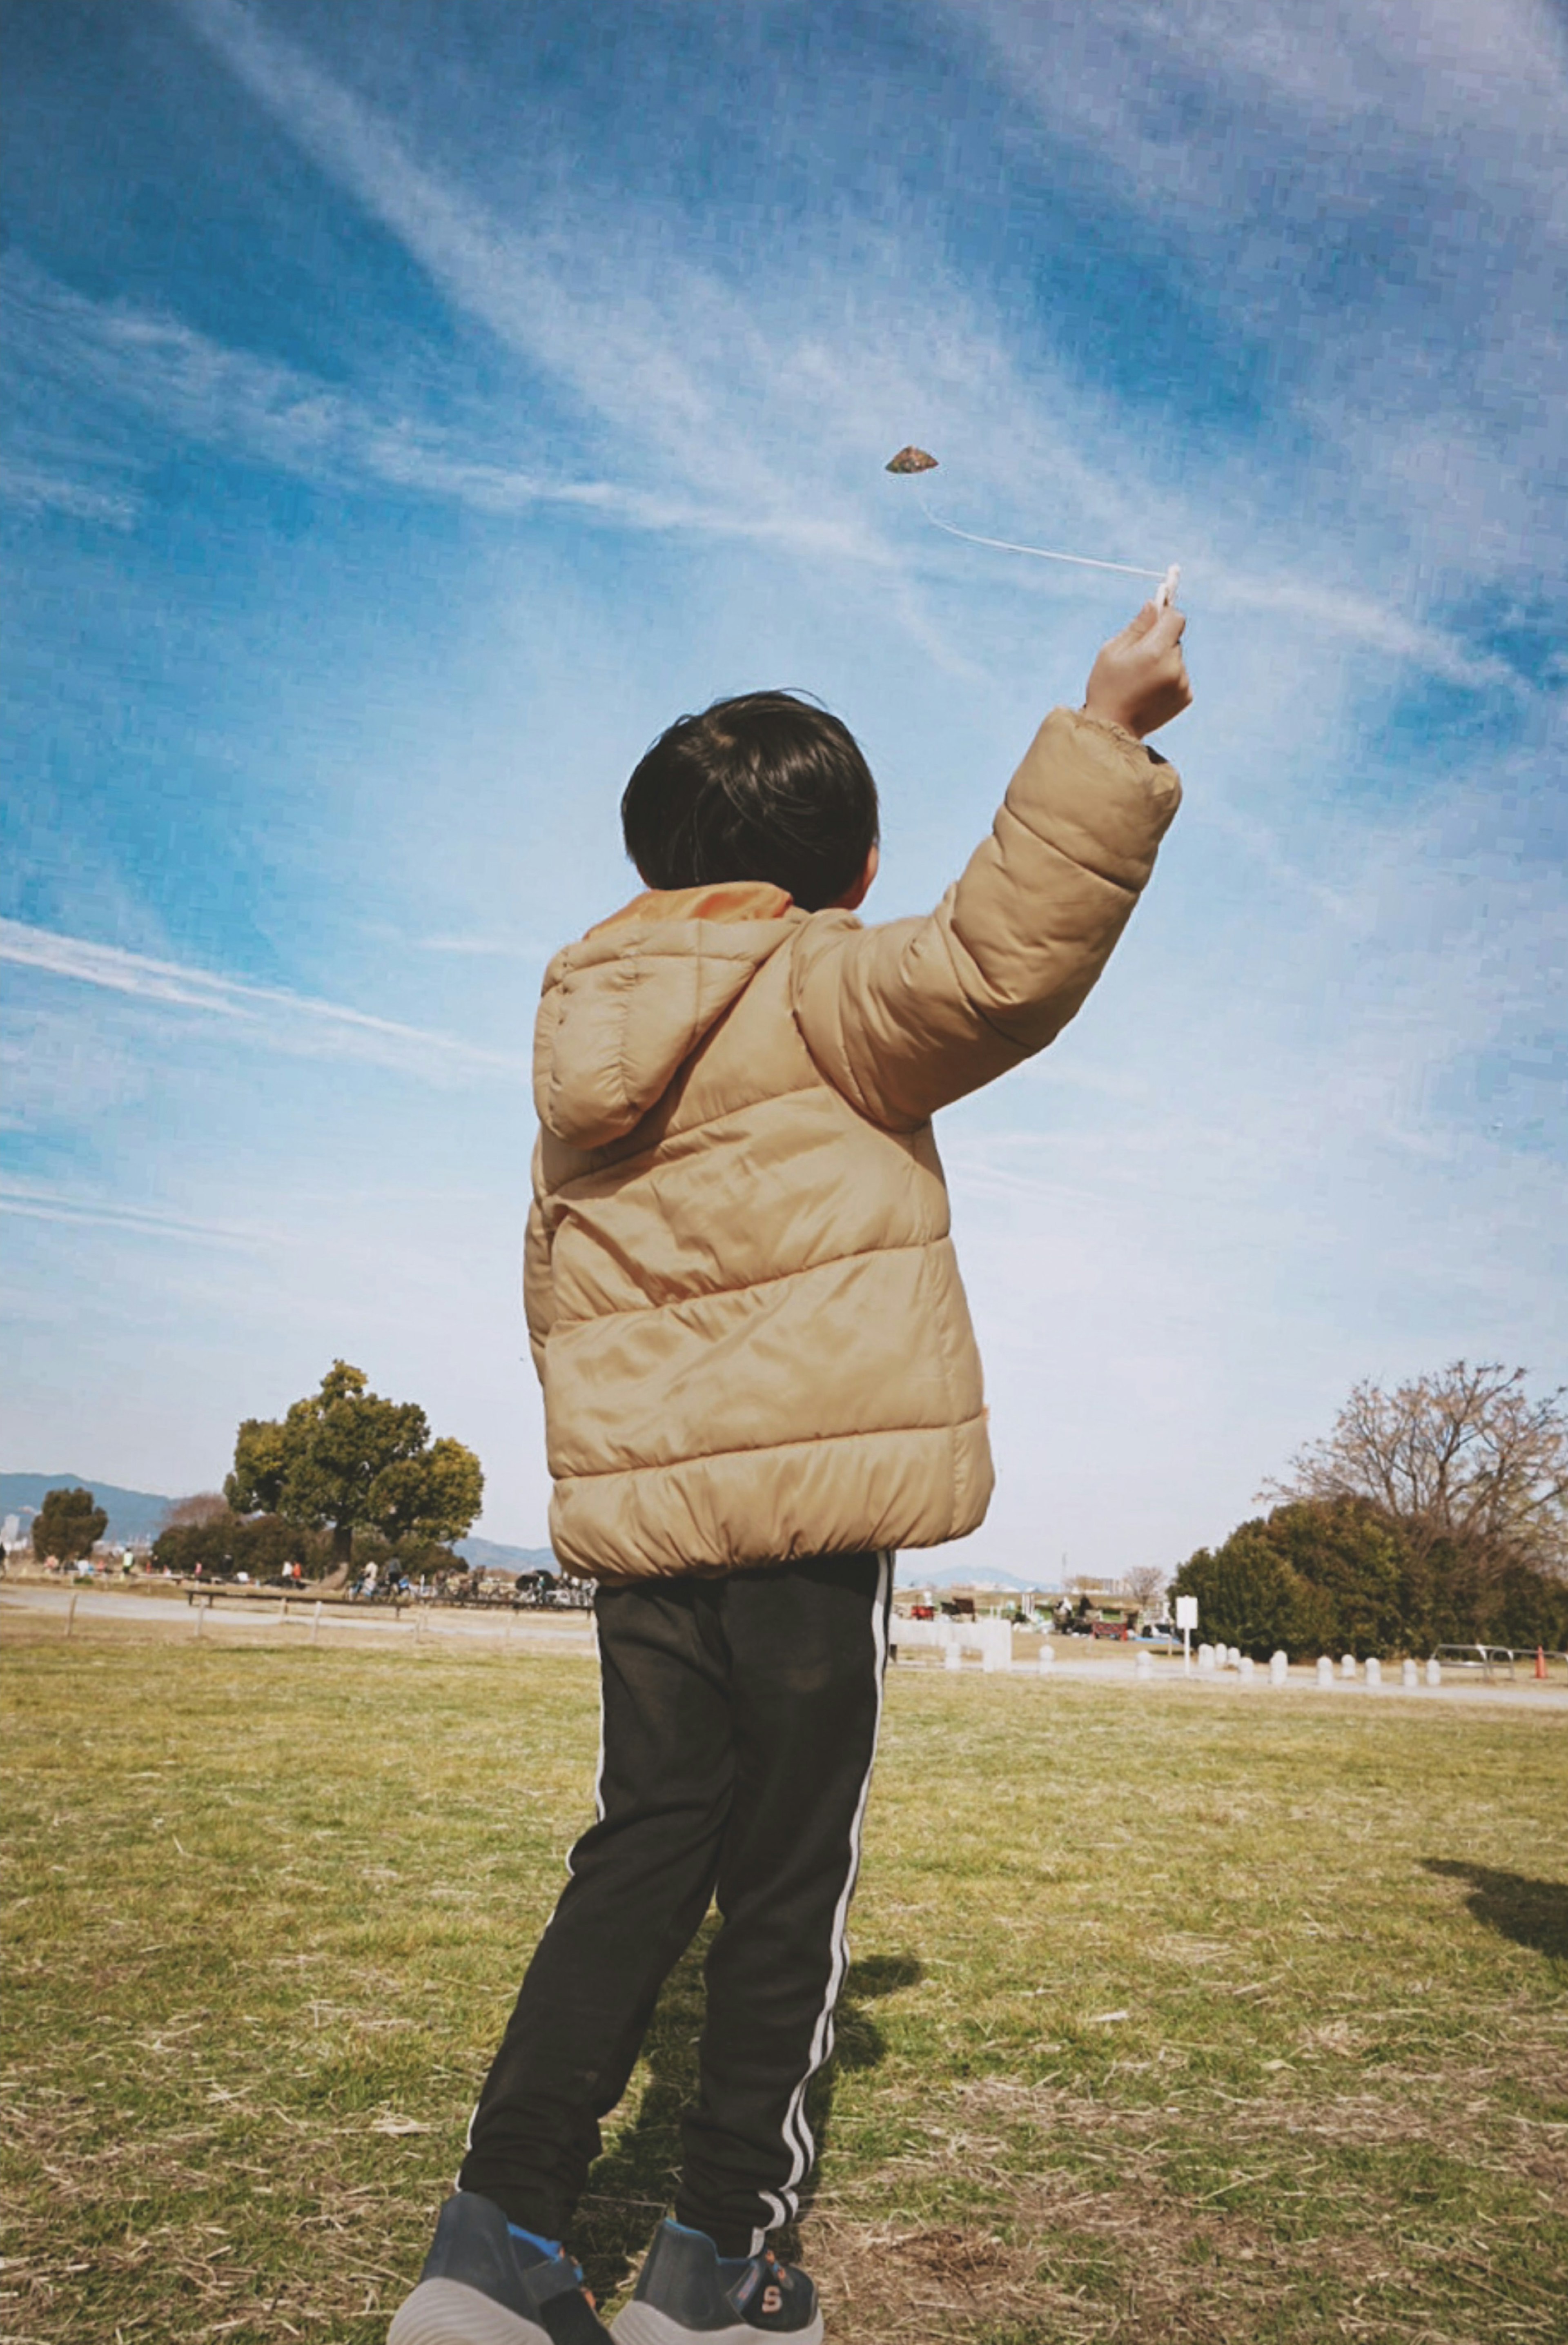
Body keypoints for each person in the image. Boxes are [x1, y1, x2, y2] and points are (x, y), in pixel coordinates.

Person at [389, 601, 1190, 2345]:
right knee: (791, 1873)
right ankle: (715, 2265)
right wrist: (1105, 728)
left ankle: (493, 2241)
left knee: (644, 1841)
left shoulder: (587, 1046)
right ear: (850, 861)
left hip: (655, 1518)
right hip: (812, 1519)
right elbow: (999, 957)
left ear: (659, 857)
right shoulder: (823, 976)